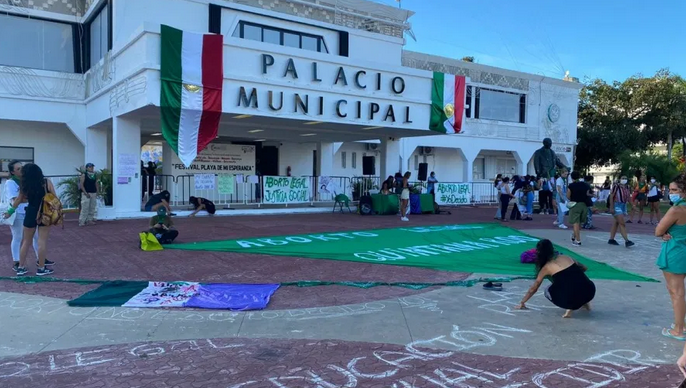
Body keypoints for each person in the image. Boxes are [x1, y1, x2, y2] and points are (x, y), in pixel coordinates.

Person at [515, 239, 595, 318]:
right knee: (576, 282)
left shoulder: (546, 268)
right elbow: (584, 268)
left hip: (570, 299)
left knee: (548, 290)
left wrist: (522, 302)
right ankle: (584, 303)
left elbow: (534, 288)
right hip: (590, 291)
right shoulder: (566, 257)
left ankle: (570, 308)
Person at [3, 164, 55, 276]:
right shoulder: (46, 182)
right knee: (41, 241)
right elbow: (54, 198)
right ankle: (41, 268)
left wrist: (10, 212)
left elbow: (18, 199)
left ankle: (21, 267)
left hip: (30, 212)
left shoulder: (25, 184)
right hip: (44, 212)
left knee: (26, 241)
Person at [655, 174, 686, 341]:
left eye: (674, 190)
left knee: (677, 292)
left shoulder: (676, 209)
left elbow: (658, 230)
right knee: (678, 292)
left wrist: (665, 233)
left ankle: (679, 329)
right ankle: (682, 325)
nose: (670, 192)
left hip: (676, 251)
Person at [608, 175, 635, 247]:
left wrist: (632, 205)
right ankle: (627, 240)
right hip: (616, 205)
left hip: (623, 205)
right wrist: (611, 207)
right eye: (623, 178)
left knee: (616, 222)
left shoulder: (627, 187)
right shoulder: (616, 187)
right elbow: (611, 196)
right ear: (620, 179)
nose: (624, 180)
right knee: (622, 223)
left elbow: (629, 197)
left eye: (625, 178)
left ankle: (611, 239)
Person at [567, 171, 591, 246]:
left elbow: (568, 196)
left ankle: (578, 240)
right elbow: (588, 194)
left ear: (571, 177)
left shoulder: (571, 186)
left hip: (575, 205)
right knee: (579, 222)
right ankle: (574, 236)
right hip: (584, 205)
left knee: (575, 222)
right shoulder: (585, 185)